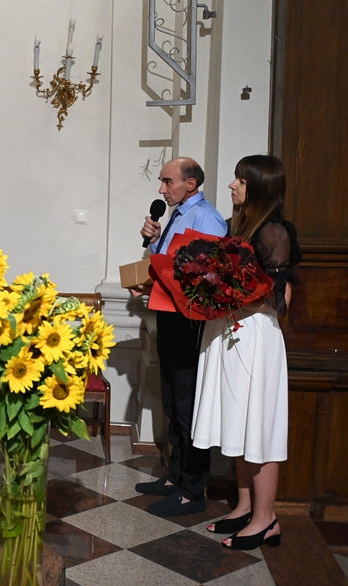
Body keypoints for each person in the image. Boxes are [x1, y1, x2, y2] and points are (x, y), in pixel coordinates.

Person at [191, 155, 299, 549]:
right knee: (239, 421)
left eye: (240, 180)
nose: (232, 185)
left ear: (259, 187)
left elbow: (282, 299)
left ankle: (267, 519)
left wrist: (226, 293)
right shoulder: (239, 226)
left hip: (255, 337)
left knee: (260, 427)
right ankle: (245, 506)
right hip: (231, 329)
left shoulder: (274, 231)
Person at [133, 157, 227, 516]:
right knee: (173, 403)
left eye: (167, 181)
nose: (161, 189)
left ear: (190, 184)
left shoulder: (207, 219)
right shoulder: (178, 214)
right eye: (161, 181)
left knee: (188, 407)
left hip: (189, 322)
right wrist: (156, 243)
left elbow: (208, 275)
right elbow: (172, 265)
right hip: (169, 315)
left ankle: (192, 489)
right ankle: (175, 477)